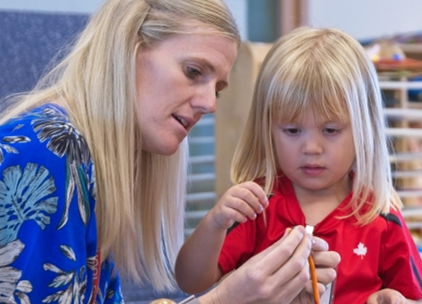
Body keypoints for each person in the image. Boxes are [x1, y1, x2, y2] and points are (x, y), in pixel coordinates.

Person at [0, 1, 339, 303]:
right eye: (193, 72)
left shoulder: (86, 163)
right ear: (127, 48)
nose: (209, 104)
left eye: (217, 89)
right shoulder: (45, 153)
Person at [175, 26, 422, 304]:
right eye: (292, 130)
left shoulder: (382, 218)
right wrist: (214, 223)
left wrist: (393, 299)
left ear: (363, 130)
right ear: (268, 130)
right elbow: (189, 282)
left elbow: (412, 296)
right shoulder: (258, 206)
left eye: (330, 130)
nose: (311, 148)